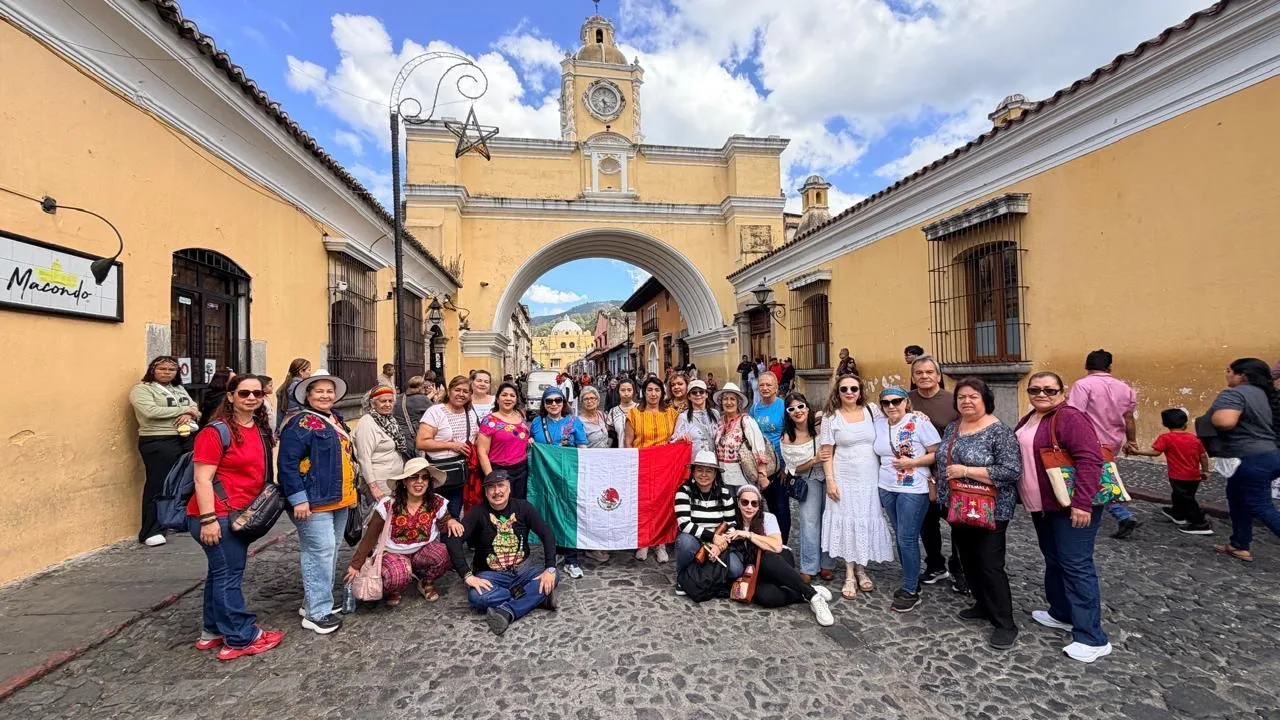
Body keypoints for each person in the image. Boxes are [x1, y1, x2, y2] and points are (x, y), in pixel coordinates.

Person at [1015, 371, 1111, 663]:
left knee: (1076, 564)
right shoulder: (1031, 417)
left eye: (1049, 390)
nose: (1041, 394)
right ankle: (1061, 612)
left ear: (1062, 392)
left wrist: (1081, 503)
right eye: (1035, 390)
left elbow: (1090, 459)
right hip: (1044, 506)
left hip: (1071, 507)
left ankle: (1092, 637)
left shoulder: (1069, 417)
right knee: (1055, 559)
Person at [187, 374, 284, 660]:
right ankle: (240, 636)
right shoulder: (215, 432)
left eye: (257, 393)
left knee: (220, 574)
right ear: (230, 396)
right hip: (217, 515)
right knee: (229, 576)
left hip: (240, 513)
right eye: (244, 393)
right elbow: (202, 479)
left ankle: (212, 630)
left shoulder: (257, 428)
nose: (252, 398)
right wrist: (208, 520)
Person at [936, 378, 1022, 650]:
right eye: (961, 397)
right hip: (960, 506)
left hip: (991, 509)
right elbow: (942, 461)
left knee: (989, 563)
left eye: (973, 396)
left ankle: (1005, 623)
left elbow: (1011, 471)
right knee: (969, 560)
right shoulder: (953, 427)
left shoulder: (1000, 432)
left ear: (985, 400)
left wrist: (967, 471)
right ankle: (983, 605)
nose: (966, 401)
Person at [279, 370, 357, 636]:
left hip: (338, 498)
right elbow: (287, 463)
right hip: (313, 501)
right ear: (308, 395)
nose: (325, 395)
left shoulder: (332, 419)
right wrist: (298, 498)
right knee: (319, 553)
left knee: (330, 551)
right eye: (319, 391)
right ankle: (316, 612)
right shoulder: (301, 424)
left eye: (329, 391)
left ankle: (314, 601)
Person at [445, 469, 560, 636]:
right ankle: (536, 598)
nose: (497, 491)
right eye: (491, 487)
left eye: (501, 486)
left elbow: (546, 533)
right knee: (476, 598)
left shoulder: (523, 507)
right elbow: (454, 541)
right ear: (485, 492)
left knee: (554, 575)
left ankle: (507, 611)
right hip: (491, 575)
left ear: (509, 488)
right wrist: (467, 575)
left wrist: (550, 567)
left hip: (524, 570)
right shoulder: (477, 513)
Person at [344, 458, 459, 606]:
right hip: (392, 552)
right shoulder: (388, 505)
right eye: (414, 477)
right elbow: (370, 536)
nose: (419, 482)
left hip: (421, 551)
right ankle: (394, 588)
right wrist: (356, 564)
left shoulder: (436, 502)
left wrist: (451, 520)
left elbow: (444, 522)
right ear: (404, 482)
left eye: (424, 477)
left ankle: (425, 582)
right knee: (398, 574)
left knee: (443, 553)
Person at [820, 374, 893, 600]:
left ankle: (862, 568)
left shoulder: (873, 411)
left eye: (854, 388)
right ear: (838, 392)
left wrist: (915, 413)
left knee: (864, 518)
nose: (849, 392)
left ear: (860, 391)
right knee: (847, 520)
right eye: (844, 389)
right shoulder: (830, 417)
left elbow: (896, 416)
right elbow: (826, 452)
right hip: (843, 476)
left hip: (869, 477)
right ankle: (850, 573)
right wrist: (830, 480)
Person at [872, 386, 941, 613]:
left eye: (897, 401)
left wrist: (912, 463)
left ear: (906, 402)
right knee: (901, 536)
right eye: (886, 402)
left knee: (906, 537)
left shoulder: (919, 422)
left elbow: (936, 452)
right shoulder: (879, 424)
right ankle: (910, 578)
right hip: (886, 487)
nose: (892, 406)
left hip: (914, 487)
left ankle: (911, 589)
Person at [727, 485, 834, 626]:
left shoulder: (768, 518)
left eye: (754, 503)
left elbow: (776, 546)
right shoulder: (733, 523)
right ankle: (804, 590)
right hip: (756, 571)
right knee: (765, 597)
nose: (749, 507)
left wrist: (749, 535)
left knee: (767, 557)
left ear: (759, 505)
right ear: (738, 502)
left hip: (779, 559)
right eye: (745, 502)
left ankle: (812, 596)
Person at [1206, 358, 1280, 561]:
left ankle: (1240, 543)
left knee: (1260, 505)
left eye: (1229, 370)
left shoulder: (1235, 393)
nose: (1226, 374)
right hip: (1268, 455)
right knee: (1236, 497)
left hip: (1250, 457)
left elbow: (1225, 421)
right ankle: (1239, 544)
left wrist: (1209, 420)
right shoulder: (1266, 394)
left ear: (1242, 375)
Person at [1067, 349, 1141, 539]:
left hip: (1088, 441)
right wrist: (1131, 440)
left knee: (1096, 479)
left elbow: (1075, 415)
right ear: (1109, 367)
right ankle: (1119, 513)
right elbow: (1129, 418)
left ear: (1086, 366)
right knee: (1102, 477)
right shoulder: (1125, 388)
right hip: (1113, 441)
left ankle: (1122, 515)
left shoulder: (1083, 385)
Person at [909, 356, 967, 594]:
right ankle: (934, 564)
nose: (924, 376)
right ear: (913, 377)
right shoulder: (906, 400)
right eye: (919, 373)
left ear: (938, 375)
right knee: (926, 522)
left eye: (929, 372)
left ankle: (960, 569)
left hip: (950, 472)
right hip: (919, 472)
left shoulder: (954, 401)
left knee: (957, 523)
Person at [129, 355, 198, 547]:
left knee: (182, 481)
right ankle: (151, 529)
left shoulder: (178, 388)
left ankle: (173, 519)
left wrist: (189, 412)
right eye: (162, 369)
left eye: (171, 369)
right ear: (153, 370)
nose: (167, 372)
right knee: (158, 483)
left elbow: (195, 408)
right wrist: (184, 411)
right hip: (158, 439)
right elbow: (151, 411)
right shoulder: (142, 390)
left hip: (184, 438)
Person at [531, 386, 589, 578]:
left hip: (568, 477)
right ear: (544, 404)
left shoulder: (574, 421)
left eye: (558, 400)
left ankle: (572, 559)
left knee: (569, 515)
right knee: (548, 515)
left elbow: (582, 447)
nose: (554, 404)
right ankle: (552, 554)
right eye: (549, 401)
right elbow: (531, 446)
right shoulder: (537, 422)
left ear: (564, 402)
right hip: (546, 478)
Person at [1128, 408, 1210, 533]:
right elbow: (1203, 455)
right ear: (1185, 424)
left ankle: (1200, 523)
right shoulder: (1194, 438)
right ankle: (1178, 513)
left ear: (1164, 424)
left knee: (1187, 499)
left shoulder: (1166, 438)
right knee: (1181, 495)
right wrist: (1205, 470)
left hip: (1178, 476)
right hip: (1194, 476)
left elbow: (1155, 453)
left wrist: (1137, 452)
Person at [781, 392, 833, 583]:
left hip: (829, 477)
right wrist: (814, 461)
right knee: (809, 522)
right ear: (787, 413)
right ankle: (809, 566)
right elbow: (793, 469)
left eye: (800, 406)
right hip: (808, 480)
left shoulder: (821, 424)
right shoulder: (788, 436)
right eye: (792, 408)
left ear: (807, 407)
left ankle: (827, 564)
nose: (797, 411)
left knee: (829, 519)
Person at [625, 377, 678, 563]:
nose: (653, 394)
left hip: (665, 467)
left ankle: (661, 544)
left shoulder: (672, 414)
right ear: (644, 392)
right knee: (644, 505)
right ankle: (643, 542)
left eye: (657, 390)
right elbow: (628, 442)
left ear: (662, 393)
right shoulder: (634, 414)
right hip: (642, 465)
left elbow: (676, 439)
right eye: (649, 390)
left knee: (663, 505)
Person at [673, 450, 741, 585]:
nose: (704, 474)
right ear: (692, 472)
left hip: (719, 540)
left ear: (715, 474)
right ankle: (683, 578)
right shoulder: (684, 492)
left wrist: (719, 546)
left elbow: (731, 524)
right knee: (684, 543)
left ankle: (704, 573)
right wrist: (712, 538)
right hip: (695, 540)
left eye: (709, 471)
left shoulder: (725, 494)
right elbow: (684, 524)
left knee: (736, 570)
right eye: (699, 470)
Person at [417, 376, 480, 518]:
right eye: (457, 390)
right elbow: (421, 442)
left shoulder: (470, 413)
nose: (461, 394)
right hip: (437, 472)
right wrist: (452, 446)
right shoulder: (435, 411)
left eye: (466, 391)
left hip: (458, 474)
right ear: (449, 391)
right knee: (432, 516)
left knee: (453, 515)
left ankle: (448, 540)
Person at [352, 385, 411, 500]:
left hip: (395, 480)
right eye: (383, 401)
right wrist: (374, 488)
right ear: (372, 403)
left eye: (390, 401)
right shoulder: (367, 423)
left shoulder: (390, 420)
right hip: (380, 483)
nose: (388, 404)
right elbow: (364, 458)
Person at [476, 382, 532, 500]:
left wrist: (529, 440)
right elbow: (482, 451)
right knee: (500, 506)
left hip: (521, 470)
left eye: (512, 395)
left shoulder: (520, 416)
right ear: (497, 399)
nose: (508, 398)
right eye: (504, 395)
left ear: (516, 399)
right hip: (499, 470)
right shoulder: (489, 421)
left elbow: (520, 437)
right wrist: (492, 478)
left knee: (518, 504)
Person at [752, 372, 790, 543]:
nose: (765, 388)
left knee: (782, 508)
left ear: (776, 388)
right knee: (767, 508)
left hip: (781, 467)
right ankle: (769, 542)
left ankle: (783, 545)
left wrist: (786, 466)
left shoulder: (783, 406)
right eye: (762, 385)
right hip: (762, 468)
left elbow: (791, 435)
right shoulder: (755, 409)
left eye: (769, 385)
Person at [712, 382, 768, 490]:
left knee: (745, 505)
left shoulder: (746, 421)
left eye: (732, 399)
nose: (728, 402)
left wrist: (762, 474)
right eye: (725, 399)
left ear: (738, 402)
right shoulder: (719, 422)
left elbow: (758, 446)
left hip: (743, 477)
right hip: (723, 478)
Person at [673, 379, 718, 456]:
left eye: (701, 392)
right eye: (694, 392)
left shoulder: (715, 414)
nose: (698, 394)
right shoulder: (683, 416)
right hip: (694, 462)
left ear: (706, 394)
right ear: (689, 397)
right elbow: (673, 441)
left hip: (713, 462)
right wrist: (681, 438)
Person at [396, 375, 433, 442]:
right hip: (412, 437)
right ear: (420, 387)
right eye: (424, 387)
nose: (426, 389)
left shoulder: (400, 397)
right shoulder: (421, 399)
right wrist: (438, 397)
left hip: (399, 435)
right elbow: (437, 412)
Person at [276, 357, 311, 430]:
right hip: (299, 421)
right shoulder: (299, 386)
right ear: (301, 371)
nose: (310, 373)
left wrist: (278, 428)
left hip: (287, 420)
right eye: (309, 370)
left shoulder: (286, 385)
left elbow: (280, 412)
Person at [606, 378, 638, 443]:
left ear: (633, 391)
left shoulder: (641, 409)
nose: (626, 393)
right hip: (620, 451)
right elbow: (610, 436)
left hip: (638, 451)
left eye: (629, 390)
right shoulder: (613, 412)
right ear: (618, 392)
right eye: (623, 390)